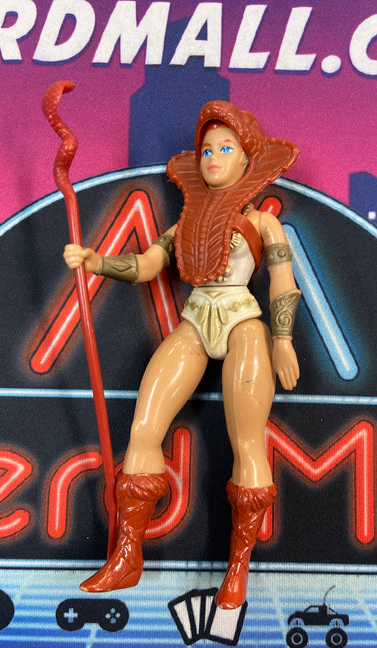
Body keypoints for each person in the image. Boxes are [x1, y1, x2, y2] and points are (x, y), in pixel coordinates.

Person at [63, 100, 301, 609]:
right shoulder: (185, 224)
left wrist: (281, 339)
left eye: (225, 148)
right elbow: (147, 265)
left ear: (247, 160)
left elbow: (283, 281)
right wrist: (96, 261)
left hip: (242, 321)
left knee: (247, 443)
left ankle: (238, 568)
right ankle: (127, 556)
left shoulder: (263, 223)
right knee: (143, 430)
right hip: (196, 320)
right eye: (207, 150)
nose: (213, 158)